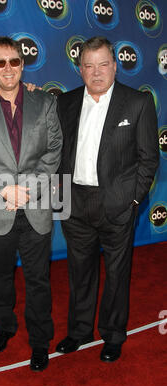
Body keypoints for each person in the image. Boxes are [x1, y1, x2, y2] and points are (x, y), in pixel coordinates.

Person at [0, 37, 62, 371]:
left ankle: (39, 341)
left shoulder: (44, 102)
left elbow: (54, 150)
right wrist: (5, 190)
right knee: (1, 277)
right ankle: (5, 327)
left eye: (14, 61)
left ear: (22, 64)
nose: (8, 68)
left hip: (35, 207)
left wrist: (28, 188)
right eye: (0, 62)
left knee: (38, 280)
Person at [56, 36, 159, 362]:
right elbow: (57, 154)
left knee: (117, 274)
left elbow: (149, 159)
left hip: (116, 204)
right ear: (80, 69)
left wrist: (131, 202)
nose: (96, 72)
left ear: (115, 66)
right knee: (79, 271)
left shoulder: (137, 102)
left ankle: (113, 335)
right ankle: (80, 331)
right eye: (89, 65)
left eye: (103, 64)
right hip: (75, 203)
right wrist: (60, 198)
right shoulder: (66, 103)